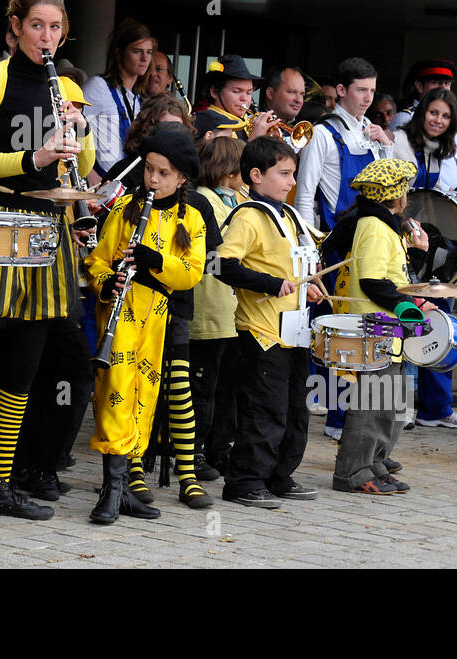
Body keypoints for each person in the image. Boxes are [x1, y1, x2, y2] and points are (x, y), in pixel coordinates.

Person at [0, 0, 95, 520]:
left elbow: (80, 172)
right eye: (36, 25)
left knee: (23, 365)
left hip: (47, 232)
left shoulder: (67, 88)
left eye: (55, 28)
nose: (46, 37)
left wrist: (78, 133)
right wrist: (33, 159)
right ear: (15, 27)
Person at [86, 128, 207, 525]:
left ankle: (122, 490)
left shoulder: (191, 218)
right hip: (120, 316)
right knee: (116, 392)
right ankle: (112, 491)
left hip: (157, 317)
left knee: (145, 395)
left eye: (163, 173)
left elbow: (192, 273)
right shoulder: (126, 210)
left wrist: (154, 258)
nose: (152, 180)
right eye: (149, 170)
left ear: (182, 178)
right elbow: (97, 262)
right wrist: (110, 280)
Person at [214, 136, 324, 506]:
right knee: (265, 410)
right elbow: (221, 265)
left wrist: (306, 289)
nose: (292, 182)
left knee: (296, 409)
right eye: (284, 174)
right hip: (261, 332)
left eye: (293, 174)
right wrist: (272, 284)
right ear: (256, 175)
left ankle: (280, 474)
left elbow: (293, 266)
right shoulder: (247, 216)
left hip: (295, 331)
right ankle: (244, 481)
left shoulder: (289, 214)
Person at [325, 159, 434, 494]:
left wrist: (413, 300)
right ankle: (352, 472)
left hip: (389, 327)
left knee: (390, 401)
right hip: (376, 325)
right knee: (372, 402)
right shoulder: (373, 225)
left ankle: (375, 462)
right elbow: (372, 280)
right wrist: (405, 305)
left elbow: (393, 275)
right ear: (396, 196)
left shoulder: (385, 226)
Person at [392, 87, 457, 429]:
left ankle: (436, 408)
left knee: (441, 316)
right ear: (422, 112)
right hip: (403, 238)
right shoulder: (399, 141)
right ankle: (401, 406)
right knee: (408, 318)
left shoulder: (454, 151)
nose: (438, 121)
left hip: (440, 243)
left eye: (445, 116)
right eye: (433, 113)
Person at [190, 135, 245, 480]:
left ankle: (217, 449)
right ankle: (194, 450)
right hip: (210, 308)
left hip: (230, 310)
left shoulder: (236, 198)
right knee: (202, 387)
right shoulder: (207, 201)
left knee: (225, 388)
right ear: (229, 171)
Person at [294, 56, 391, 230]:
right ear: (341, 90)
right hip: (336, 240)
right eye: (361, 90)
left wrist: (386, 146)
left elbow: (388, 189)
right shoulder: (321, 133)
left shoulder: (371, 128)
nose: (369, 98)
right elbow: (304, 197)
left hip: (371, 236)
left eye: (372, 91)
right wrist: (308, 249)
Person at [82, 18, 154, 178]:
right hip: (100, 183)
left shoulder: (139, 98)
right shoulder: (98, 86)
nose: (145, 58)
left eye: (149, 52)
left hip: (125, 185)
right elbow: (71, 128)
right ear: (119, 53)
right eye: (137, 51)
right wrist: (88, 173)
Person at [203, 54, 272, 141]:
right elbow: (226, 155)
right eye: (236, 91)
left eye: (249, 92)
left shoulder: (247, 121)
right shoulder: (208, 122)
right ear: (214, 92)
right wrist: (255, 138)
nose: (244, 98)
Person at [389, 58, 456, 132]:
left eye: (447, 84)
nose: (443, 88)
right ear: (420, 86)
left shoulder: (448, 118)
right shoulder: (405, 118)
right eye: (435, 82)